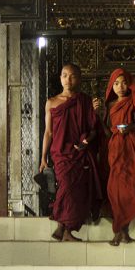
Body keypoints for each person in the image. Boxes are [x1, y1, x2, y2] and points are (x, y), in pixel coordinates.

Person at [39, 64, 103, 242]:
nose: (68, 79)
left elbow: (94, 130)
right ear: (60, 78)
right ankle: (64, 228)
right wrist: (43, 158)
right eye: (65, 75)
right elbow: (48, 132)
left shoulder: (85, 101)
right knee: (66, 187)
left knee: (75, 191)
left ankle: (63, 229)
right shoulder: (51, 102)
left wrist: (95, 113)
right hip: (60, 153)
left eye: (73, 76)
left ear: (79, 79)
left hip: (79, 152)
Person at [101, 68, 135, 246]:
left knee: (131, 188)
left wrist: (132, 127)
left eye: (124, 82)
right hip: (116, 150)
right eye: (116, 83)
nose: (120, 87)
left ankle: (121, 231)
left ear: (129, 83)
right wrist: (98, 119)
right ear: (111, 86)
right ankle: (121, 231)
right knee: (115, 190)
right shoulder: (110, 106)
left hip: (133, 149)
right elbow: (108, 133)